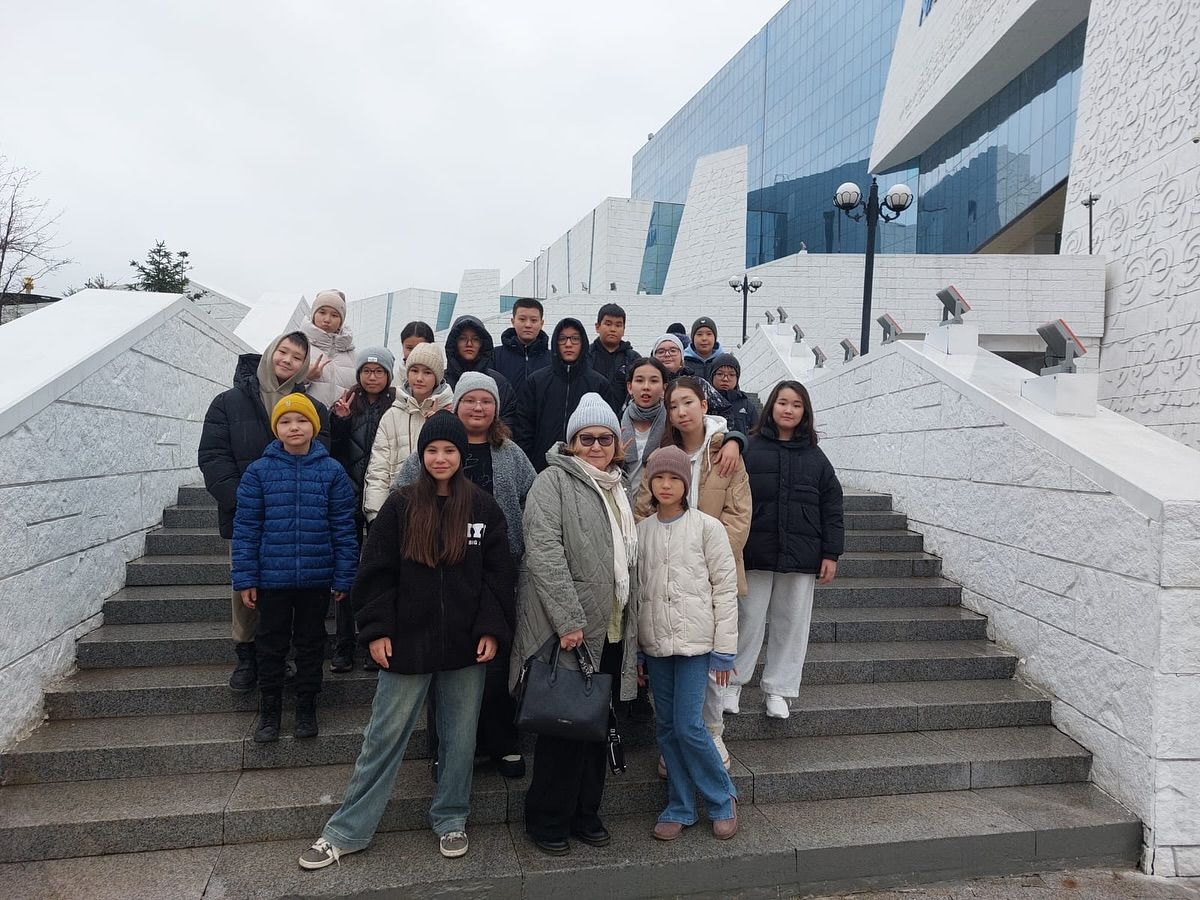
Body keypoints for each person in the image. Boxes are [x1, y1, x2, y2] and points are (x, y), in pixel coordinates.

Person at [298, 412, 515, 868]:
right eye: (432, 450)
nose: (440, 458)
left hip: (465, 646)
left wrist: (491, 628)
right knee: (383, 737)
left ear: (462, 455)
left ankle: (451, 817)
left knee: (460, 739)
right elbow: (376, 575)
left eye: (449, 450)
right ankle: (347, 830)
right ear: (421, 455)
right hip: (405, 644)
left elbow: (498, 577)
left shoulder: (482, 508)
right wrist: (376, 630)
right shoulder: (400, 506)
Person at [510, 393, 639, 856]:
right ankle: (548, 819)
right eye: (587, 438)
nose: (596, 446)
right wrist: (567, 620)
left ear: (617, 444)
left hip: (613, 627)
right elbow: (544, 552)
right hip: (569, 629)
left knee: (597, 725)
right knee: (564, 728)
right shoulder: (552, 482)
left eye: (605, 438)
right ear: (571, 442)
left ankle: (586, 813)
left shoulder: (620, 487)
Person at [393, 372, 536, 779]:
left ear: (496, 409)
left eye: (486, 401)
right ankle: (448, 748)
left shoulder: (510, 453)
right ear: (456, 405)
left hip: (497, 571)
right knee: (445, 664)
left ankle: (502, 742)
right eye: (470, 400)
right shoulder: (435, 448)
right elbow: (400, 497)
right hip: (440, 575)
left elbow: (533, 499)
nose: (478, 407)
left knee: (496, 663)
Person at [198, 331, 331, 692]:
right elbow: (213, 457)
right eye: (283, 352)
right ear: (270, 352)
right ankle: (246, 656)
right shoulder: (228, 402)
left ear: (304, 366)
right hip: (245, 515)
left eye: (297, 357)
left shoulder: (311, 407)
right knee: (245, 586)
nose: (287, 361)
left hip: (294, 517)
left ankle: (277, 654)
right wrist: (245, 503)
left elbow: (322, 459)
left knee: (286, 589)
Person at [634, 376, 750, 769]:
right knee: (672, 666)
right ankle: (674, 746)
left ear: (704, 404)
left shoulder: (726, 451)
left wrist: (705, 560)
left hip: (712, 573)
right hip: (666, 572)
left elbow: (739, 515)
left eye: (687, 402)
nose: (681, 412)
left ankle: (712, 734)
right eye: (673, 406)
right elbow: (643, 509)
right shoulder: (661, 455)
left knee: (713, 663)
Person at [232, 394, 358, 743]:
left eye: (302, 420)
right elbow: (246, 529)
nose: (294, 427)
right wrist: (246, 578)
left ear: (314, 427)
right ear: (276, 429)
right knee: (270, 645)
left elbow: (343, 528)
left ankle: (306, 707)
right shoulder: (258, 472)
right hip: (272, 580)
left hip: (315, 580)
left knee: (311, 644)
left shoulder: (332, 472)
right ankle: (270, 711)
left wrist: (343, 575)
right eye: (286, 422)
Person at [636, 446, 739, 841]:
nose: (666, 485)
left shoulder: (707, 528)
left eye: (674, 478)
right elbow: (638, 594)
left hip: (697, 645)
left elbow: (725, 590)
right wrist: (638, 651)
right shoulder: (642, 531)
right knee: (666, 727)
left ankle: (722, 797)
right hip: (656, 645)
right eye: (659, 478)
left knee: (690, 725)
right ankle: (679, 805)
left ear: (686, 484)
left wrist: (724, 649)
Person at [727, 381, 844, 720]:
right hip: (755, 551)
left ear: (805, 411)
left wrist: (831, 553)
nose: (788, 409)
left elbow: (832, 507)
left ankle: (779, 690)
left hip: (801, 555)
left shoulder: (816, 457)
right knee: (747, 620)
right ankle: (732, 683)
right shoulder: (750, 448)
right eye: (782, 402)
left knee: (791, 623)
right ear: (771, 407)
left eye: (796, 404)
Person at [328, 347, 397, 673]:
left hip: (382, 501)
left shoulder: (396, 405)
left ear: (388, 375)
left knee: (377, 571)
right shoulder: (347, 402)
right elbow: (333, 449)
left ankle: (373, 639)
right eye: (367, 371)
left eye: (379, 371)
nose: (372, 377)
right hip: (348, 498)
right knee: (346, 571)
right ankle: (343, 644)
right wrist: (340, 421)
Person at [361, 342, 454, 523]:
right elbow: (378, 469)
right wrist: (376, 515)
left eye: (427, 372)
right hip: (398, 510)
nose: (419, 378)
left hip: (442, 512)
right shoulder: (392, 415)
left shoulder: (451, 412)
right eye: (414, 370)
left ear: (437, 377)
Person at [513, 317, 614, 472]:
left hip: (586, 468)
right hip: (541, 467)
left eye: (575, 339)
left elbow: (608, 429)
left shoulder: (599, 384)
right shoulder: (536, 381)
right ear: (555, 343)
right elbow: (523, 429)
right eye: (562, 339)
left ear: (583, 343)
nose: (568, 344)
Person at [445, 315, 517, 424]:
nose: (469, 344)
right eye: (463, 338)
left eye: (475, 339)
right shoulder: (441, 382)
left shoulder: (499, 383)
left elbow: (507, 422)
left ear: (483, 343)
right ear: (454, 342)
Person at [619, 357, 669, 503]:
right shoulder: (616, 426)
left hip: (658, 506)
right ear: (630, 387)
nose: (646, 387)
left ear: (664, 388)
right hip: (622, 504)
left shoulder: (673, 424)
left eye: (653, 381)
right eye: (639, 380)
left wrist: (730, 440)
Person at [302, 289, 358, 407]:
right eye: (322, 312)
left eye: (334, 315)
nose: (327, 319)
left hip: (341, 418)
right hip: (305, 416)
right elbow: (281, 386)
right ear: (313, 314)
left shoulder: (353, 355)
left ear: (341, 320)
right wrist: (305, 378)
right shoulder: (300, 346)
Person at [493, 298, 551, 393]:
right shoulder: (495, 356)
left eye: (534, 320)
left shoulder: (553, 359)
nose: (528, 325)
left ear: (541, 323)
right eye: (522, 319)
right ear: (513, 321)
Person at [590, 303, 640, 410]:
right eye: (608, 324)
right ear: (597, 327)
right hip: (590, 415)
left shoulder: (633, 359)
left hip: (625, 417)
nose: (613, 329)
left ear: (623, 330)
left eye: (618, 325)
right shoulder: (586, 355)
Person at [709, 353, 760, 435]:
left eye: (731, 375)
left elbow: (755, 433)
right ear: (712, 376)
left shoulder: (747, 405)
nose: (725, 379)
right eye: (720, 374)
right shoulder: (705, 401)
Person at [683, 317, 725, 383]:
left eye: (709, 334)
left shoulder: (723, 361)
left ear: (715, 337)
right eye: (699, 334)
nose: (704, 338)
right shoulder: (683, 362)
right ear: (693, 338)